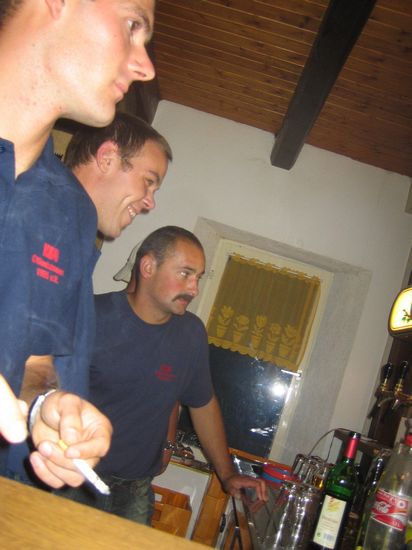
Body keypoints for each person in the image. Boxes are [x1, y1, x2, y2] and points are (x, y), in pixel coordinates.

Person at [0, 0, 156, 488]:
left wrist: (46, 407)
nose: (146, 66)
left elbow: (35, 362)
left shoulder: (70, 209)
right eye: (132, 24)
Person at [5, 112, 173, 485]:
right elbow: (27, 358)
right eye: (148, 182)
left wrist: (49, 408)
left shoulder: (74, 225)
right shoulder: (64, 207)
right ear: (108, 157)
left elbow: (30, 355)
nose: (150, 202)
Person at [59, 226, 267, 525]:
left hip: (135, 488)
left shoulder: (191, 334)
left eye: (198, 278)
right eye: (185, 274)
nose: (194, 289)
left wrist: (227, 474)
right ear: (148, 267)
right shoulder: (92, 315)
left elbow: (203, 405)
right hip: (73, 477)